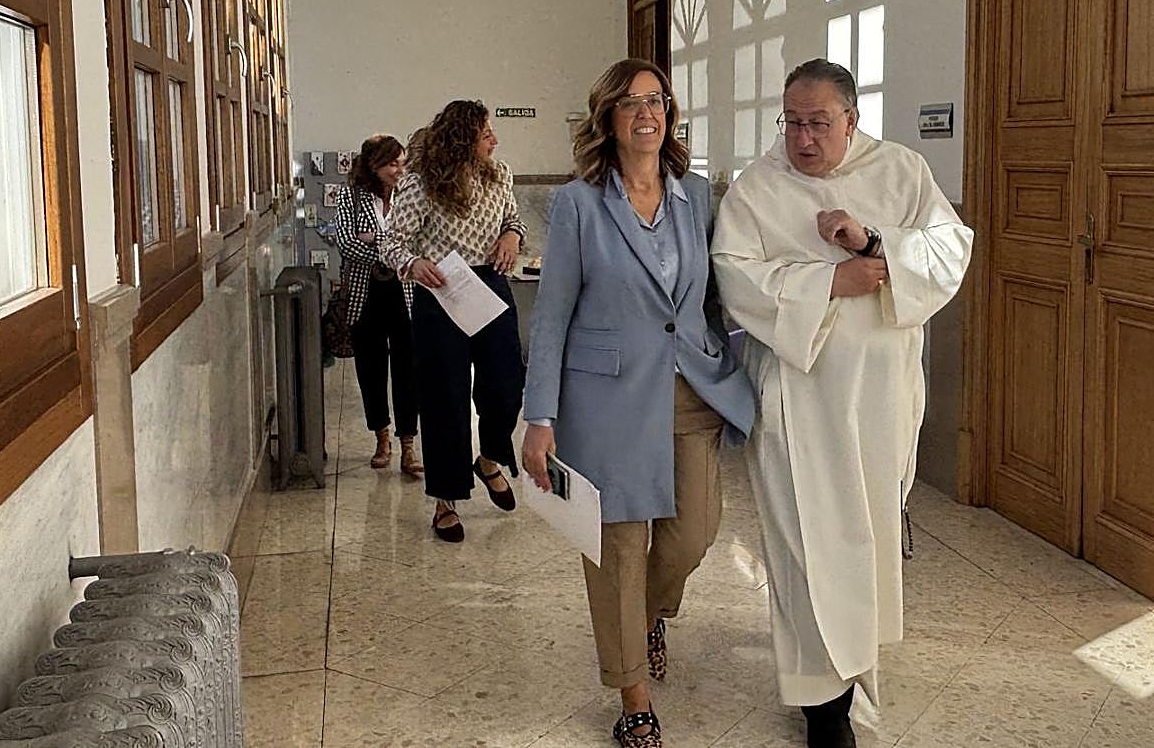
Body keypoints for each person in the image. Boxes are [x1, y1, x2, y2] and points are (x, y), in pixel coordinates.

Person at [710, 59, 973, 748]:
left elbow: (950, 249)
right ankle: (821, 707)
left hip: (882, 400)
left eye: (818, 123)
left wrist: (875, 244)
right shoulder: (757, 189)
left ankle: (854, 671)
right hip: (799, 401)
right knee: (804, 547)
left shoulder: (902, 171)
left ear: (851, 120)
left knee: (865, 537)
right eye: (792, 122)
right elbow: (737, 277)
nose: (802, 138)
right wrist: (833, 283)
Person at [520, 58, 756, 748]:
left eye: (656, 101)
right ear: (608, 120)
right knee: (618, 549)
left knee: (695, 530)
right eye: (629, 104)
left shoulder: (698, 197)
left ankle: (647, 615)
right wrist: (540, 416)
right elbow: (552, 315)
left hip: (688, 384)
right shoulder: (577, 204)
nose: (646, 113)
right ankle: (633, 695)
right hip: (605, 395)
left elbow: (715, 294)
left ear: (671, 115)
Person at [380, 100, 526, 543]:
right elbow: (391, 242)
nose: (494, 140)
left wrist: (511, 236)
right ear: (463, 139)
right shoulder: (420, 183)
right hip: (440, 290)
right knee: (445, 398)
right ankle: (446, 499)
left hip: (489, 284)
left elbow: (514, 218)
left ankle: (489, 459)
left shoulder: (499, 174)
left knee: (506, 383)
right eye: (486, 134)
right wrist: (413, 263)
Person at [333, 134, 422, 475]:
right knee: (370, 370)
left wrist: (376, 242)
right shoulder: (350, 197)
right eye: (391, 164)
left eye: (402, 163)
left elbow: (418, 239)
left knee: (407, 371)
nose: (399, 171)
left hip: (405, 293)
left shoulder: (410, 194)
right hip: (365, 294)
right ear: (373, 166)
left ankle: (408, 445)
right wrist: (392, 249)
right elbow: (346, 244)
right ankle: (381, 438)